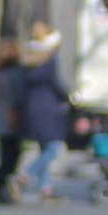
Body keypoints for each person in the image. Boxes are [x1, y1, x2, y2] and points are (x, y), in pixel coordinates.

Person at [16, 23, 70, 198]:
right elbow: (55, 84)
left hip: (31, 108)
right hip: (48, 109)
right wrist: (68, 97)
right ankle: (27, 174)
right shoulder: (49, 60)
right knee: (53, 148)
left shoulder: (27, 59)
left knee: (43, 147)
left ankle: (45, 188)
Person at [0, 37, 26, 204]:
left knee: (5, 151)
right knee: (12, 153)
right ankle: (5, 185)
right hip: (10, 115)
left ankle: (0, 185)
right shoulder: (13, 73)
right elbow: (16, 95)